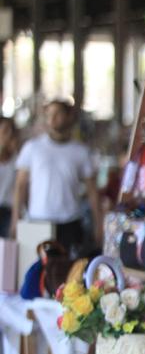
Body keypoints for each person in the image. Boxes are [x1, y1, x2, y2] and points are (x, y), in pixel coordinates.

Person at [10, 100, 102, 254]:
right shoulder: (32, 148)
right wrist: (15, 219)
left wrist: (98, 224)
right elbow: (20, 185)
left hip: (70, 222)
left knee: (70, 273)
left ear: (68, 117)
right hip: (38, 220)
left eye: (58, 114)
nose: (52, 118)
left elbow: (92, 191)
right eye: (49, 114)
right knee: (37, 273)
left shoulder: (80, 151)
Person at [0, 117, 18, 236]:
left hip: (8, 210)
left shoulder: (17, 157)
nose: (9, 134)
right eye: (5, 130)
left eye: (11, 130)